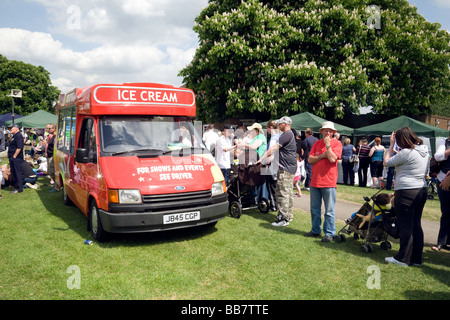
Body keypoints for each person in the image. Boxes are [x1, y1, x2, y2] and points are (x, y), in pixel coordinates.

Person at [383, 127, 428, 266]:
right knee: (416, 224)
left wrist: (390, 146)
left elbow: (386, 162)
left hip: (406, 191)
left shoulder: (407, 153)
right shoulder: (424, 151)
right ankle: (416, 258)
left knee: (405, 225)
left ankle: (403, 258)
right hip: (422, 189)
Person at [305, 121, 343, 242]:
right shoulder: (316, 143)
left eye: (330, 131)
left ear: (333, 133)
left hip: (329, 182)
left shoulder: (337, 143)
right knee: (314, 209)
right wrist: (322, 155)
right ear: (322, 132)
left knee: (329, 211)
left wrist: (328, 146)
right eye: (326, 130)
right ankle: (315, 230)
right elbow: (310, 160)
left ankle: (330, 234)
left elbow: (332, 159)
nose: (328, 132)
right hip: (315, 181)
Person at [257, 116, 297, 226]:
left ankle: (283, 219)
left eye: (280, 123)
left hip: (285, 169)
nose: (278, 125)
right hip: (289, 168)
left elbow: (273, 149)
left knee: (282, 193)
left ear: (286, 123)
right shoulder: (289, 134)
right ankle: (288, 216)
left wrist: (261, 159)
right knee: (288, 193)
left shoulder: (286, 135)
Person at [431, 136, 450, 252]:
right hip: (443, 180)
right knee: (446, 212)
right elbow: (437, 157)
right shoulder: (446, 142)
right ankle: (441, 242)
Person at [263, 120, 281, 211]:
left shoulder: (274, 138)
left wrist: (266, 162)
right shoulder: (279, 136)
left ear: (270, 128)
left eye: (267, 129)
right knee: (275, 186)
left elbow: (272, 152)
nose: (268, 131)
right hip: (277, 165)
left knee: (271, 186)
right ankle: (276, 205)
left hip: (272, 166)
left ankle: (274, 205)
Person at [7, 123, 24, 194]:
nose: (10, 129)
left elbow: (19, 147)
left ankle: (19, 188)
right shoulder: (14, 136)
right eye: (9, 128)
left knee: (17, 173)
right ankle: (16, 186)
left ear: (16, 128)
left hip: (16, 158)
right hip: (12, 157)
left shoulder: (19, 136)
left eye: (11, 128)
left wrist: (14, 156)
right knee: (13, 172)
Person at [46, 124, 60, 192]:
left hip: (53, 156)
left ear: (54, 129)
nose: (48, 130)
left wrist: (55, 157)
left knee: (53, 172)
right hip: (50, 156)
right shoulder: (53, 136)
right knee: (51, 172)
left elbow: (56, 148)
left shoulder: (56, 137)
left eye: (50, 128)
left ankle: (56, 187)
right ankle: (55, 185)